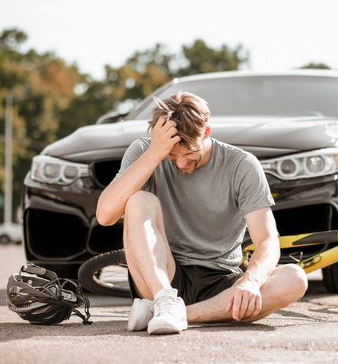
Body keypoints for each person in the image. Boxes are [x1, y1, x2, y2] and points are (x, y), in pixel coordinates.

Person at [96, 92, 308, 334]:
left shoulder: (242, 165)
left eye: (189, 154)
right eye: (172, 156)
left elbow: (267, 240)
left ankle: (168, 314)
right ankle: (165, 301)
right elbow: (105, 215)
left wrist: (251, 281)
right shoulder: (146, 151)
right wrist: (155, 154)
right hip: (162, 276)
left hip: (221, 281)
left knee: (294, 278)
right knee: (138, 200)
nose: (181, 163)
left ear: (206, 132)